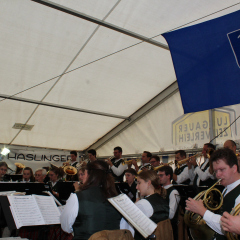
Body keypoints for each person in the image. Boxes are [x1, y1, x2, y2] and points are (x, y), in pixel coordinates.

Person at [186, 148, 240, 240]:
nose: (218, 175)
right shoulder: (225, 189)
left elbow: (230, 227)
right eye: (215, 171)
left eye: (222, 169)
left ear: (234, 168)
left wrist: (203, 211)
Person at [60, 160, 122, 240]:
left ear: (91, 176)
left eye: (84, 174)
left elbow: (65, 227)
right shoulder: (117, 197)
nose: (82, 177)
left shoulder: (77, 197)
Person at [121, 170, 169, 240]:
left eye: (139, 183)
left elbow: (126, 228)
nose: (137, 187)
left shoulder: (143, 204)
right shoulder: (162, 200)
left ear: (148, 183)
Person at [158, 166, 180, 240]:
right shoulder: (158, 190)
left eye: (161, 175)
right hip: (159, 226)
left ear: (168, 176)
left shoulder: (173, 192)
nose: (159, 177)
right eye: (158, 175)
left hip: (169, 228)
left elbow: (171, 215)